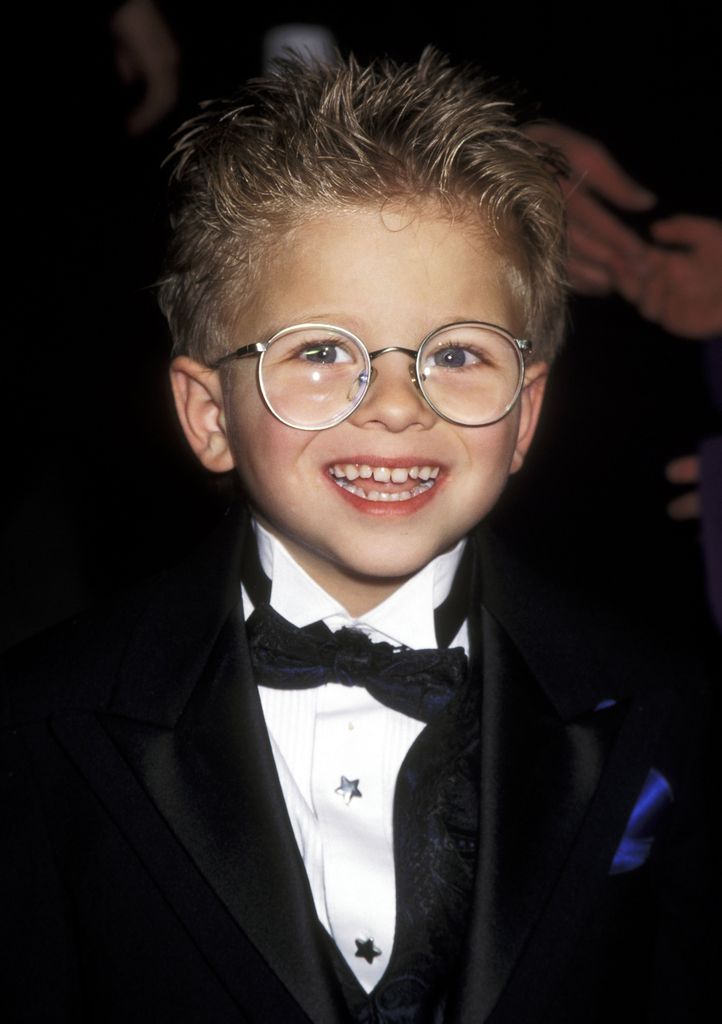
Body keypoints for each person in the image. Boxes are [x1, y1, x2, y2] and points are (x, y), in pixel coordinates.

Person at [1, 51, 708, 1023]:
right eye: (322, 351)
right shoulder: (42, 725)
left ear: (525, 413)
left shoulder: (667, 712)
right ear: (208, 414)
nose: (391, 406)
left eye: (455, 354)